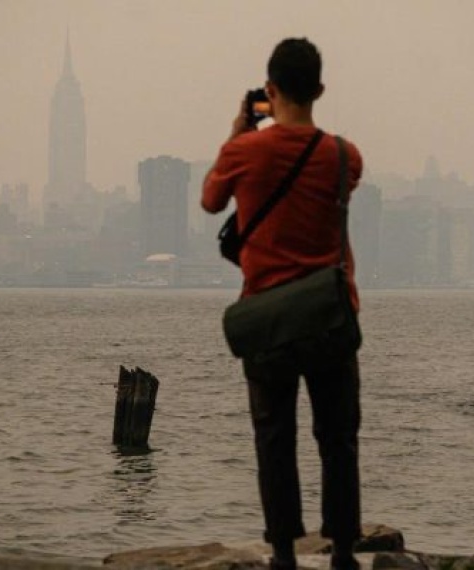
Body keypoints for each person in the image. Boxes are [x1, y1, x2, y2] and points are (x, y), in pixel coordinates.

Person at [202, 38, 364, 570]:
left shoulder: (244, 152)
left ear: (269, 90)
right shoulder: (344, 155)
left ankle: (282, 555)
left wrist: (242, 128)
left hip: (267, 315)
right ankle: (342, 551)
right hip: (329, 314)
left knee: (274, 436)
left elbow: (210, 201)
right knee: (337, 437)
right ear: (319, 89)